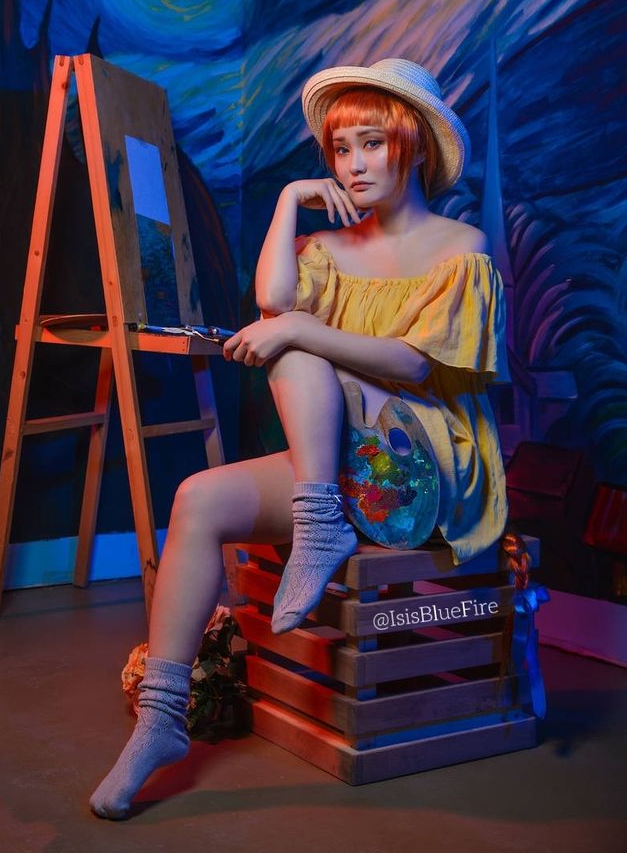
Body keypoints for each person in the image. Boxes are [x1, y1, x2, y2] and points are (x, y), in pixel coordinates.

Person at [90, 57, 510, 819]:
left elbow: (413, 363)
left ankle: (318, 521)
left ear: (414, 146)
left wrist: (298, 332)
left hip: (418, 474)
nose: (352, 165)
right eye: (340, 149)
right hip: (338, 468)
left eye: (371, 144)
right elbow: (273, 298)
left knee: (295, 338)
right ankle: (161, 717)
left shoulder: (462, 246)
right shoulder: (329, 247)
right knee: (196, 499)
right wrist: (289, 201)